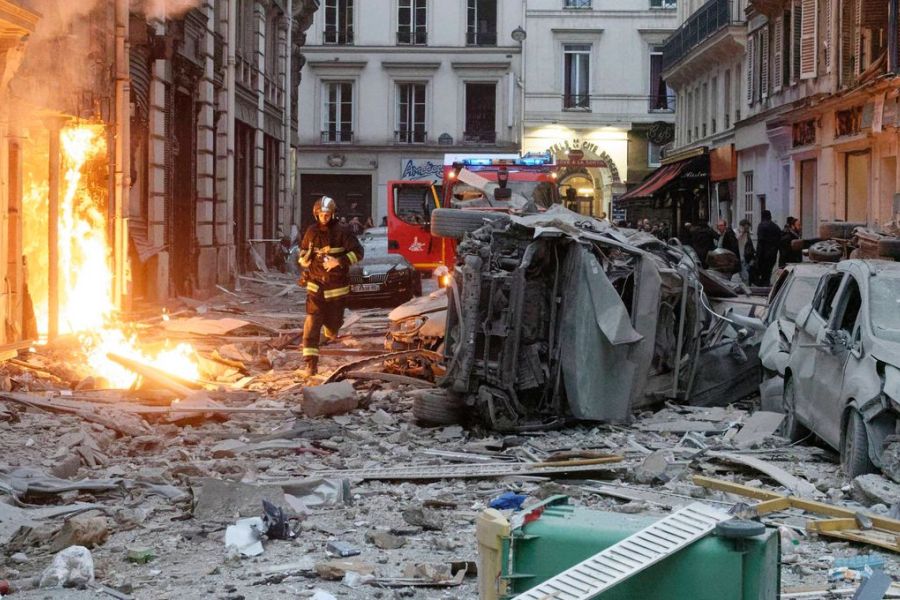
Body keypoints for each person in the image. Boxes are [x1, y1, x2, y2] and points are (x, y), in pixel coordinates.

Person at [297, 196, 364, 377]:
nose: (324, 218)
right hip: (315, 285)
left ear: (333, 214)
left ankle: (331, 332)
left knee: (333, 324)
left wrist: (339, 261)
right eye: (321, 214)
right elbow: (303, 253)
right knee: (312, 322)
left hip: (336, 287)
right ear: (316, 214)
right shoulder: (311, 231)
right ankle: (311, 364)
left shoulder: (344, 231)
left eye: (327, 214)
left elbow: (359, 253)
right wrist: (304, 258)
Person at [755, 210, 782, 286]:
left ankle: (762, 288)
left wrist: (757, 257)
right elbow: (780, 240)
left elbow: (760, 242)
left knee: (761, 275)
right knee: (768, 273)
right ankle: (766, 285)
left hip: (763, 255)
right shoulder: (776, 227)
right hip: (772, 255)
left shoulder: (761, 226)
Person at [737, 219, 755, 284]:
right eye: (746, 227)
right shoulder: (738, 233)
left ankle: (747, 289)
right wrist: (741, 232)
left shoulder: (747, 235)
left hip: (746, 259)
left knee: (746, 277)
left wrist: (752, 258)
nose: (748, 229)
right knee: (745, 277)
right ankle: (747, 290)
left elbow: (750, 247)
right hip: (741, 259)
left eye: (748, 227)